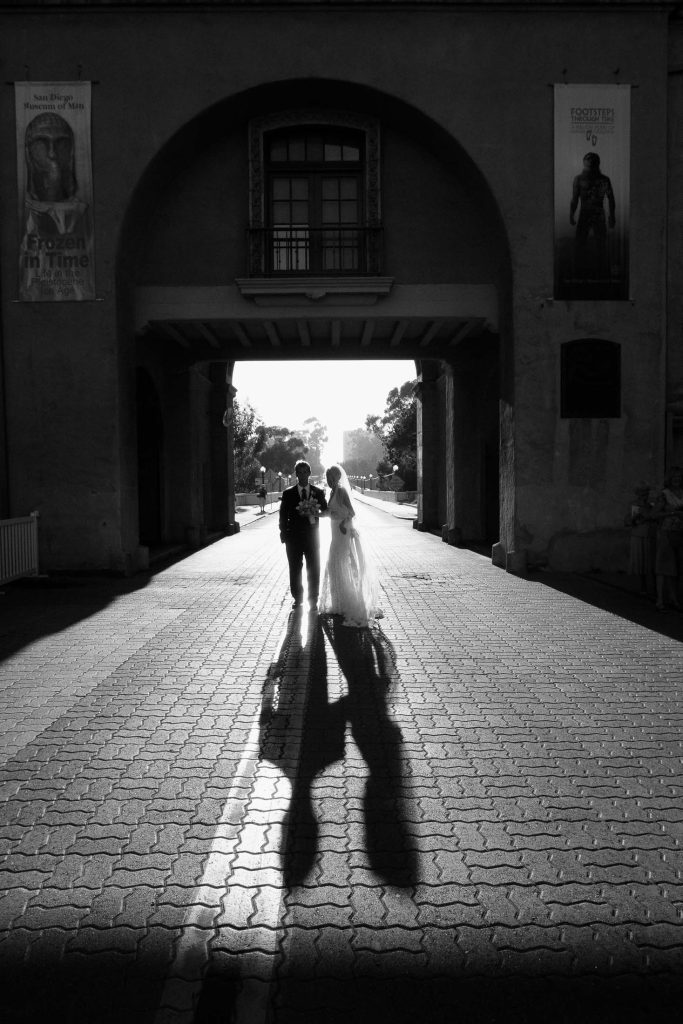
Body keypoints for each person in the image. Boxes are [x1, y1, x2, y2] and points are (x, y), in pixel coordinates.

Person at [319, 464, 382, 627]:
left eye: (330, 478)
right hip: (334, 533)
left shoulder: (341, 491)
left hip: (343, 531)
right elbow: (331, 512)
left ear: (337, 478)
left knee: (342, 563)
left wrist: (343, 523)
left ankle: (348, 603)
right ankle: (338, 602)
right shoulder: (332, 492)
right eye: (327, 478)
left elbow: (352, 512)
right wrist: (316, 513)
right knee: (334, 565)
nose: (328, 480)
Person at [279, 460, 328, 609]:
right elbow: (282, 515)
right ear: (296, 474)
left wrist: (315, 513)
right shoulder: (288, 493)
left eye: (305, 472)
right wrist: (284, 534)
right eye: (299, 472)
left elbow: (326, 511)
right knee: (295, 568)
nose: (302, 475)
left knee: (314, 568)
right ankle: (298, 598)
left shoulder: (318, 492)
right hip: (293, 539)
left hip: (312, 538)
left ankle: (313, 599)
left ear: (309, 473)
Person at [570, 151, 615, 278]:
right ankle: (580, 273)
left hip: (596, 214)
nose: (588, 168)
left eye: (590, 166)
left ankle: (601, 274)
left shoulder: (602, 180)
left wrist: (612, 216)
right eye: (587, 166)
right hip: (588, 214)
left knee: (600, 245)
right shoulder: (580, 179)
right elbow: (574, 199)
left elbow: (611, 199)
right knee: (581, 244)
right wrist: (571, 214)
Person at [653, 466, 683, 611]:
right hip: (666, 533)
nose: (677, 479)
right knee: (664, 567)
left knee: (676, 569)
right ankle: (660, 599)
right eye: (674, 477)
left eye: (679, 477)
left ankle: (674, 598)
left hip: (680, 534)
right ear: (669, 479)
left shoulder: (682, 493)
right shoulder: (664, 495)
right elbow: (654, 514)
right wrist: (671, 514)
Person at [623, 482, 655, 596]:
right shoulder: (634, 505)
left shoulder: (651, 504)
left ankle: (654, 587)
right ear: (638, 494)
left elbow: (655, 517)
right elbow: (629, 521)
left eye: (646, 492)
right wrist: (635, 519)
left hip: (650, 534)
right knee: (641, 563)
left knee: (650, 561)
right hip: (638, 534)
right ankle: (643, 587)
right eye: (642, 493)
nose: (644, 495)